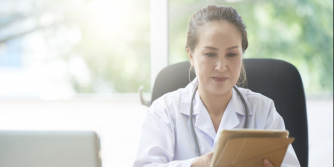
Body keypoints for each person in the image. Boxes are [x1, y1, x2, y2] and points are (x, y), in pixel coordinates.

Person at [133, 5, 300, 167]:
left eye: (232, 54)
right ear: (191, 55)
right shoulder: (164, 111)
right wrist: (196, 165)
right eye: (210, 54)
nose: (221, 66)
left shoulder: (263, 110)